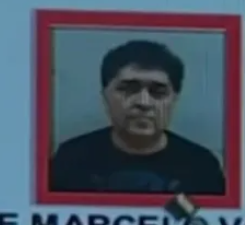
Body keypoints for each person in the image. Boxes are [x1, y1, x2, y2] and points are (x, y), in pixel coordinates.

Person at [48, 39, 225, 195]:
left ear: (174, 99)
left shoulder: (201, 166)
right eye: (128, 89)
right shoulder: (71, 158)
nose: (143, 103)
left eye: (158, 92)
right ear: (105, 96)